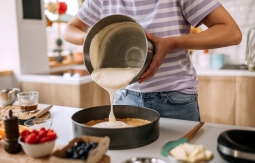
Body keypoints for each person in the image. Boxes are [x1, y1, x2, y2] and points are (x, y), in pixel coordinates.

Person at [62, 0, 242, 121]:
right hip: (124, 97)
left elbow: (231, 32)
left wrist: (171, 43)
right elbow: (70, 29)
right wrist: (91, 38)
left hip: (174, 101)